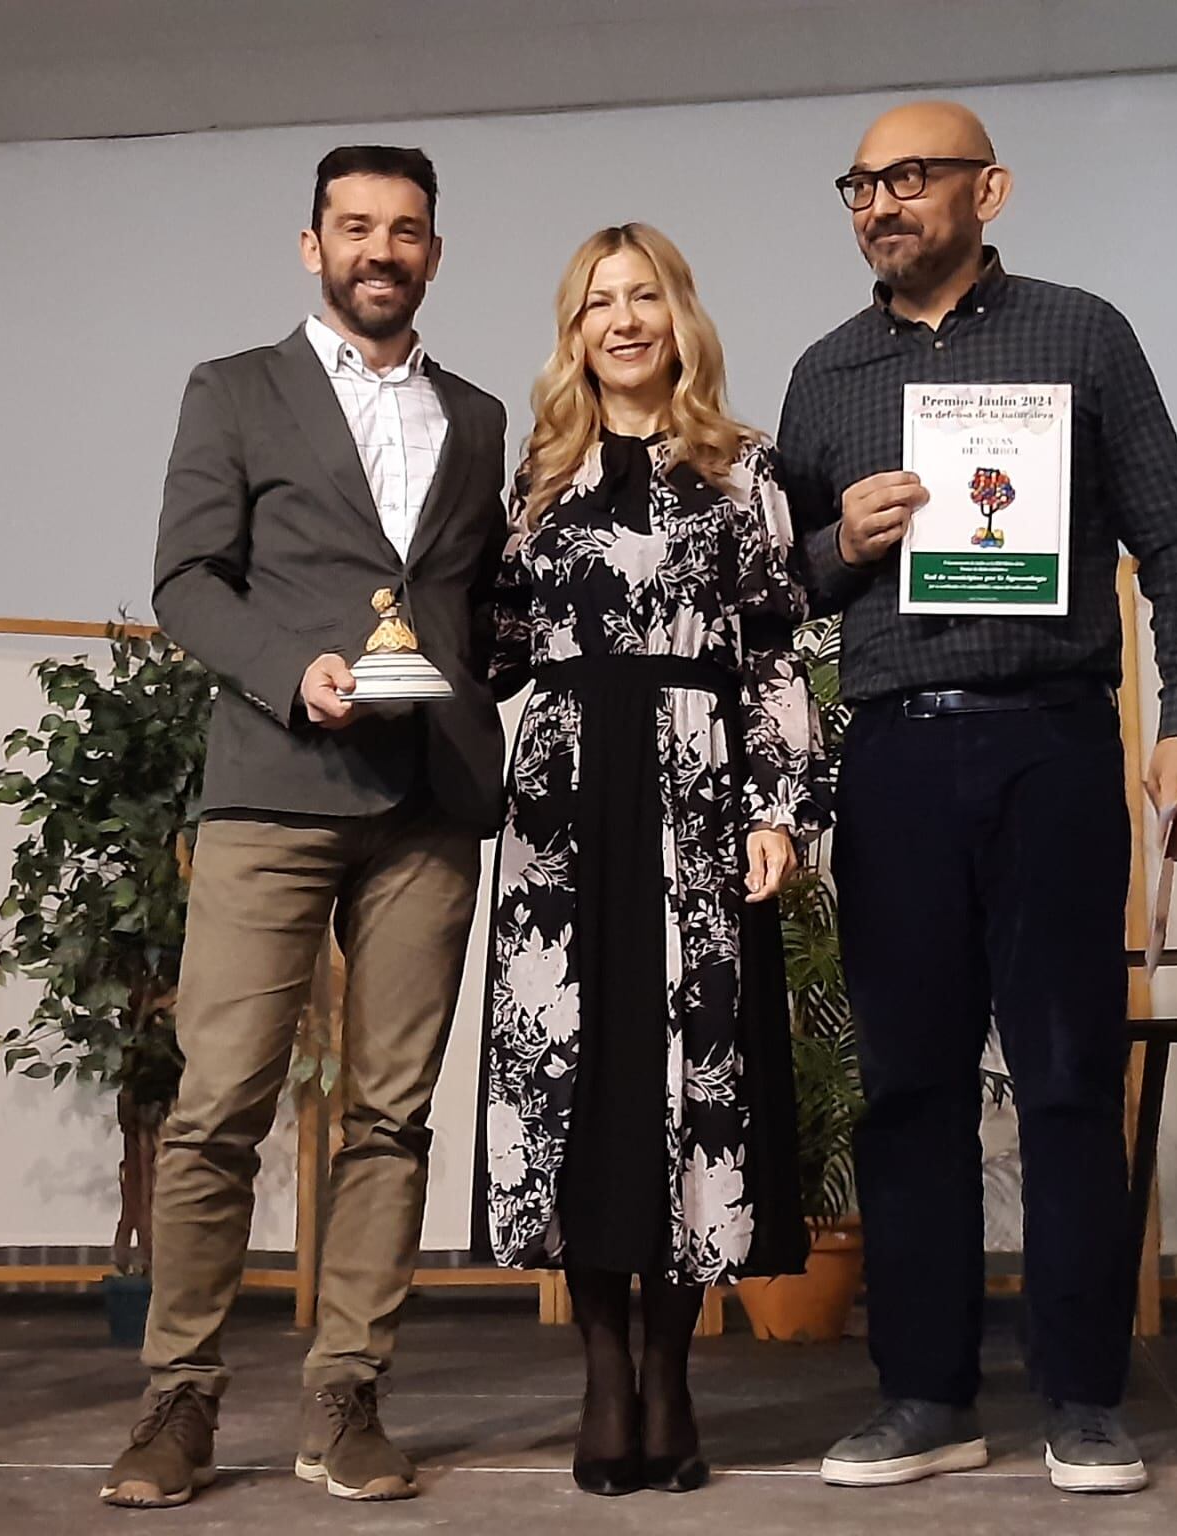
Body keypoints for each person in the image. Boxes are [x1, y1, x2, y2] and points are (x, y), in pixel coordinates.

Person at [777, 102, 1177, 1496]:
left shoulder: (1082, 335)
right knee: (907, 1086)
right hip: (897, 758)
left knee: (1063, 1078)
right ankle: (923, 1392)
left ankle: (1084, 1398)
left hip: (1049, 745)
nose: (881, 203)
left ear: (991, 190)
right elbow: (768, 588)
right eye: (861, 183)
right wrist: (830, 547)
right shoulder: (826, 374)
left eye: (910, 177)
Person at [102, 145, 510, 1509]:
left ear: (434, 254)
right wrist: (295, 669)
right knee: (219, 1109)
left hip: (428, 807)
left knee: (389, 1120)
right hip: (274, 788)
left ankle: (346, 1398)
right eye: (355, 227)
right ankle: (179, 1404)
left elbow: (477, 607)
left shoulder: (481, 414)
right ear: (311, 243)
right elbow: (184, 582)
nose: (380, 249)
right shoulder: (233, 391)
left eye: (405, 231)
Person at [481, 223, 826, 1496]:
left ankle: (672, 1377)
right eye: (594, 304)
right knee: (579, 1070)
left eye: (642, 298)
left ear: (679, 314)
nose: (621, 321)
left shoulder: (745, 471)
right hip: (565, 799)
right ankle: (597, 1373)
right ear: (571, 333)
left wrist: (778, 808)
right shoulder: (534, 477)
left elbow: (780, 647)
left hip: (696, 786)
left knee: (691, 1070)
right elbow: (498, 643)